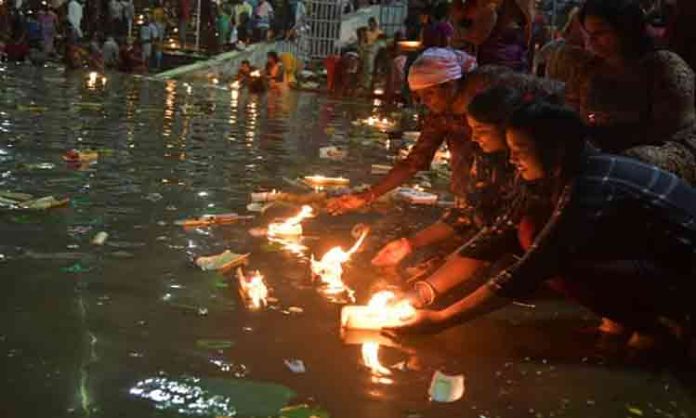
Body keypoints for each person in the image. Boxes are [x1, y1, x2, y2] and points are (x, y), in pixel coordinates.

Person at [388, 100, 696, 352]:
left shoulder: (591, 184)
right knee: (528, 229)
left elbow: (534, 266)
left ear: (555, 150)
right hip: (660, 257)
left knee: (551, 255)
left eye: (520, 150)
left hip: (685, 275)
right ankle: (624, 321)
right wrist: (424, 292)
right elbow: (495, 236)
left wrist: (442, 319)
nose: (512, 160)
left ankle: (659, 327)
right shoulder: (563, 174)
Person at [371, 85, 522, 269]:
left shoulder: (525, 172)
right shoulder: (484, 158)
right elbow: (467, 213)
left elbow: (499, 232)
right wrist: (409, 244)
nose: (473, 138)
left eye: (481, 131)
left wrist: (429, 286)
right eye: (472, 129)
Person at [556, 0, 696, 184]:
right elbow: (572, 112)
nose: (591, 42)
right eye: (588, 34)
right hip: (602, 151)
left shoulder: (662, 67)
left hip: (662, 153)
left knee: (629, 162)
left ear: (624, 28)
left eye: (599, 33)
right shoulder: (589, 69)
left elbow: (671, 133)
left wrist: (612, 134)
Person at [327, 48, 478, 215]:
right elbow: (414, 162)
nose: (425, 102)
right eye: (420, 96)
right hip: (468, 188)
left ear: (450, 85)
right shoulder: (439, 116)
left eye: (430, 93)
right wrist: (367, 196)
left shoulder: (485, 100)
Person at [450, 0, 534, 71]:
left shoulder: (489, 5)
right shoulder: (522, 7)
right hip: (514, 65)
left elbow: (477, 37)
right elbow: (528, 38)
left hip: (493, 68)